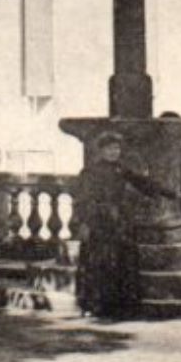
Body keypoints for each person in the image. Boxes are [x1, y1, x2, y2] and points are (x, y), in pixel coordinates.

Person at [74, 132, 138, 319]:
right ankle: (96, 305)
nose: (114, 152)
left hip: (118, 221)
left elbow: (145, 183)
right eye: (110, 148)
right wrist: (85, 222)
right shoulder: (90, 172)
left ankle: (118, 306)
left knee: (121, 261)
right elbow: (82, 200)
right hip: (98, 222)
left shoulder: (121, 170)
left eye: (117, 148)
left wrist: (172, 194)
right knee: (99, 263)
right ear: (101, 150)